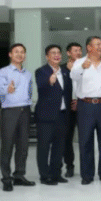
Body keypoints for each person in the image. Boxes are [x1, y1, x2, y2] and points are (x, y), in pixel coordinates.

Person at [70, 36, 101, 184]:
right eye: (97, 44)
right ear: (89, 47)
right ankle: (87, 175)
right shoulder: (79, 62)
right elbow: (73, 77)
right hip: (86, 106)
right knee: (85, 141)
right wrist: (82, 68)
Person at [0, 43, 35, 191]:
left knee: (23, 145)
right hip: (10, 111)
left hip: (25, 110)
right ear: (10, 54)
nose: (20, 54)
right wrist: (8, 89)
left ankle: (19, 175)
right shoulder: (3, 72)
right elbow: (0, 89)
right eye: (16, 52)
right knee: (7, 145)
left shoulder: (28, 74)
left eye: (22, 52)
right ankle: (6, 178)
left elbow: (30, 91)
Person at [34, 44, 73, 185]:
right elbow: (41, 87)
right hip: (46, 116)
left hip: (62, 115)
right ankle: (45, 176)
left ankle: (56, 173)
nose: (57, 55)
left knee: (59, 146)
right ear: (47, 56)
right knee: (44, 147)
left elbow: (68, 91)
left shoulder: (65, 71)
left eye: (58, 53)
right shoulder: (41, 71)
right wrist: (49, 82)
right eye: (53, 53)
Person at [61, 42, 82, 177]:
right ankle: (69, 165)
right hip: (67, 109)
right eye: (75, 50)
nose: (78, 53)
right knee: (67, 139)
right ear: (68, 53)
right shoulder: (62, 69)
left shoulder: (86, 67)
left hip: (83, 107)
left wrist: (79, 101)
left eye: (80, 50)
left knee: (85, 139)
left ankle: (86, 167)